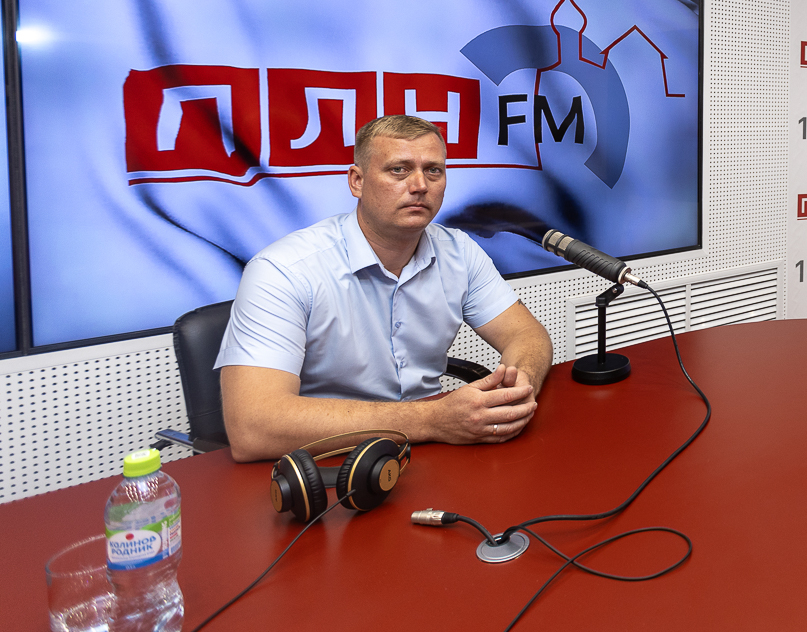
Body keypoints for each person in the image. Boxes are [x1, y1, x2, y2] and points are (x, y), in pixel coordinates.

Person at [216, 115, 554, 462]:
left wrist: (517, 388)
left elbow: (526, 335)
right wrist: (432, 419)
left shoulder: (459, 252)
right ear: (357, 181)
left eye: (433, 171)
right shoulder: (284, 270)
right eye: (399, 170)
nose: (420, 185)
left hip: (432, 451)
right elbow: (253, 428)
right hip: (326, 461)